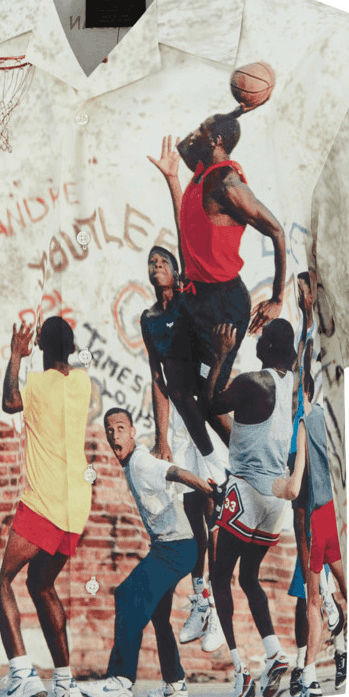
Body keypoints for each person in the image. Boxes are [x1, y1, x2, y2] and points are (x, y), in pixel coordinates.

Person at [79, 409, 216, 697]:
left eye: (120, 428)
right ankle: (175, 686)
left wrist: (207, 489)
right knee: (159, 616)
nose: (114, 434)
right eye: (109, 430)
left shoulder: (140, 462)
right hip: (172, 547)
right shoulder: (133, 462)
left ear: (132, 432)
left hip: (175, 547)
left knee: (128, 594)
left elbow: (174, 472)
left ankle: (120, 681)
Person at [148, 120, 286, 402]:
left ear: (216, 141)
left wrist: (277, 298)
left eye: (202, 128)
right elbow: (183, 148)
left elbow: (277, 231)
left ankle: (257, 414)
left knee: (209, 396)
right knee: (179, 382)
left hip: (223, 304)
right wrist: (172, 178)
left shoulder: (229, 185)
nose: (194, 133)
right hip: (196, 297)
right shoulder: (201, 173)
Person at [204, 318, 303, 697]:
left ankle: (240, 671)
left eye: (261, 339)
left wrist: (219, 356)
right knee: (249, 578)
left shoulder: (253, 382)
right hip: (275, 501)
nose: (256, 342)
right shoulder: (292, 385)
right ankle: (275, 652)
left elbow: (211, 405)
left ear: (269, 347)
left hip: (247, 489)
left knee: (219, 576)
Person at [0, 315, 92, 697]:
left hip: (43, 502)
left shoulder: (37, 385)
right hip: (76, 507)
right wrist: (41, 347)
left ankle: (22, 675)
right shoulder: (83, 383)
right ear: (71, 348)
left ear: (41, 347)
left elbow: (9, 402)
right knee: (41, 585)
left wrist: (16, 356)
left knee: (5, 581)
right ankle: (65, 684)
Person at [140, 244, 226, 652]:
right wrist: (161, 437)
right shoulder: (149, 319)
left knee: (214, 508)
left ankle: (217, 605)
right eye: (152, 263)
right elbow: (157, 378)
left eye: (163, 262)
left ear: (176, 272)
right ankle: (201, 599)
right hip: (178, 423)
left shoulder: (189, 303)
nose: (157, 266)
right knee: (193, 514)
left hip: (202, 411)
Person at [289, 369, 347, 696]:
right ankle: (316, 665)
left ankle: (313, 668)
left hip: (318, 517)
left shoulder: (305, 423)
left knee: (313, 596)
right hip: (325, 514)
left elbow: (296, 490)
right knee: (316, 595)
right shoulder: (317, 420)